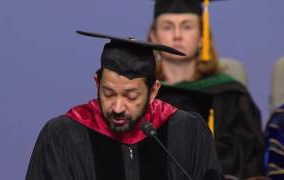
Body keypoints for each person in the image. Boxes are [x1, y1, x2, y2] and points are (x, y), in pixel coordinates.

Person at [25, 30, 223, 180]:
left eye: (131, 96)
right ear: (97, 82)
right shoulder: (63, 135)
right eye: (108, 93)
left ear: (153, 91)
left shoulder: (187, 131)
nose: (118, 107)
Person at [147, 0, 265, 179]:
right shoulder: (140, 96)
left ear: (202, 37)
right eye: (168, 27)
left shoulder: (230, 95)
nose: (177, 35)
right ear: (153, 37)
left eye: (187, 27)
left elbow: (248, 162)